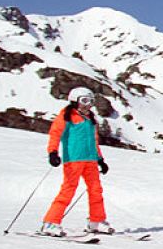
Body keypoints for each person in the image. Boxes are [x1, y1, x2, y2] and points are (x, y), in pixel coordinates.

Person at [39, 87, 113, 236]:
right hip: (74, 159)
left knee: (96, 191)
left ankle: (96, 221)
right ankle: (51, 223)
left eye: (91, 101)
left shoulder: (90, 119)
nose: (88, 104)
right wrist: (53, 152)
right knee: (68, 190)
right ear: (74, 101)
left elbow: (94, 141)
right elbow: (55, 134)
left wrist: (100, 159)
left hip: (90, 160)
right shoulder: (66, 116)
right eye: (84, 101)